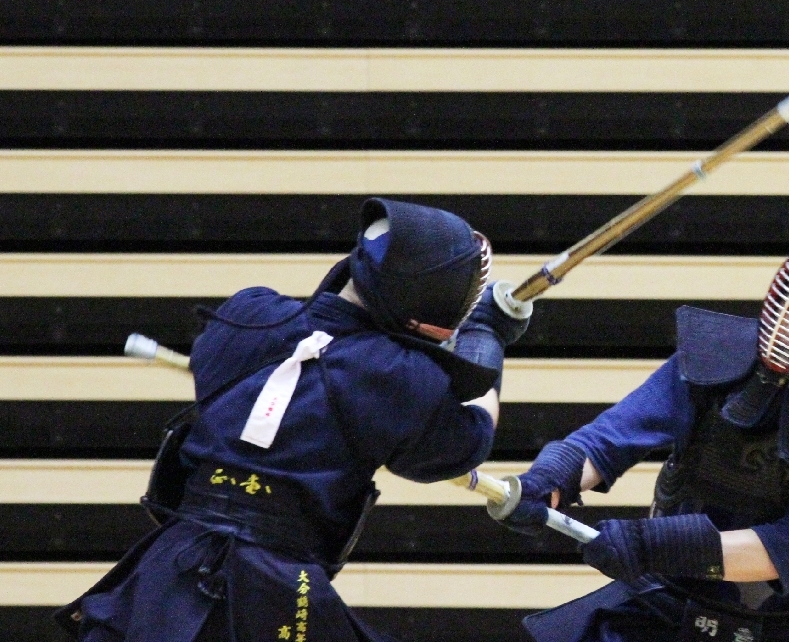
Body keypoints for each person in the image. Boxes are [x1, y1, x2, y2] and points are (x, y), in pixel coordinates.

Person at [56, 198, 531, 642]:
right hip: (279, 582)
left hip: (167, 569)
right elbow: (470, 436)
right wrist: (486, 333)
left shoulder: (247, 314)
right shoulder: (400, 377)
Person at [493, 241, 789, 642]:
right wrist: (549, 481)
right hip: (664, 597)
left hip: (783, 620)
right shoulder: (710, 361)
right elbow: (611, 438)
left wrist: (651, 545)